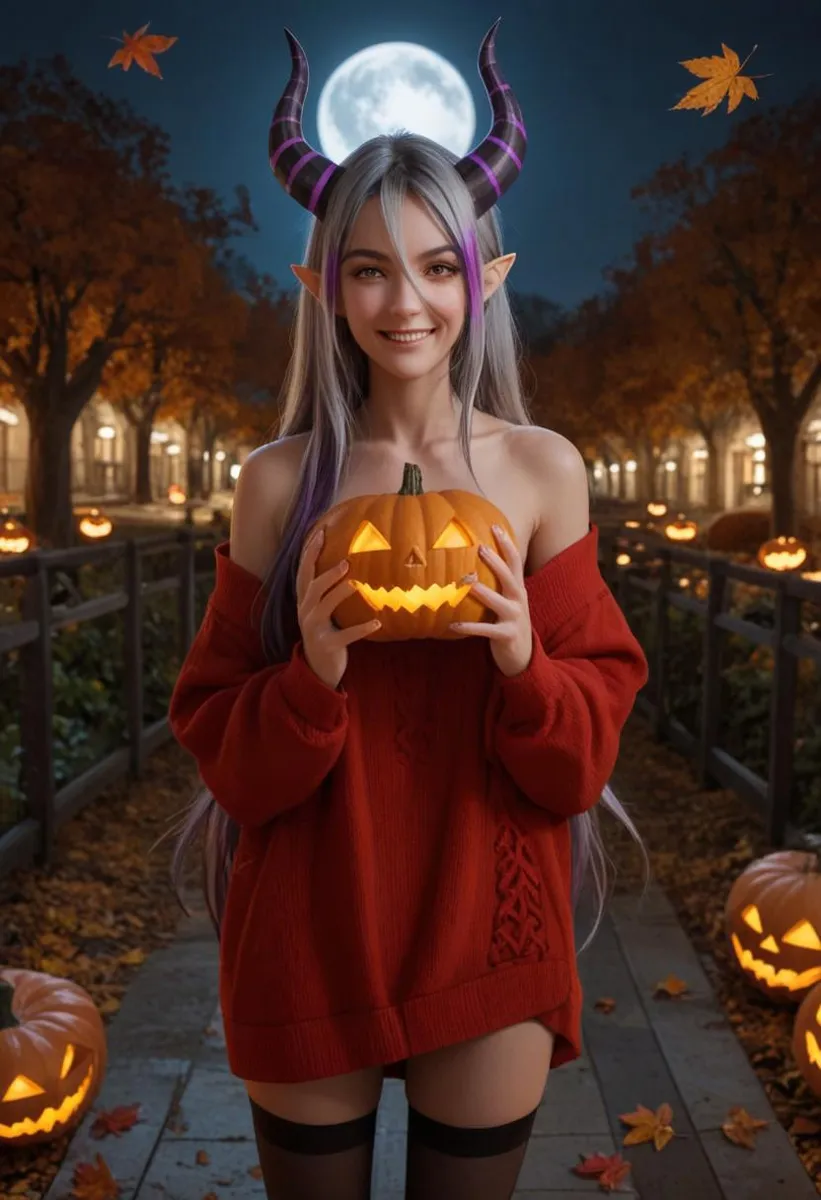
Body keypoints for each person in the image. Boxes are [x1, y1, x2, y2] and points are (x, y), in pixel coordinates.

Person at [165, 20, 649, 1200]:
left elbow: (579, 754)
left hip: (490, 913)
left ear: (483, 279)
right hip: (309, 919)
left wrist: (528, 661)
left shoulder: (541, 470)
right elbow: (223, 743)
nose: (405, 302)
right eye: (369, 268)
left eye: (436, 265)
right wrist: (310, 676)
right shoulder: (279, 484)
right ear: (321, 286)